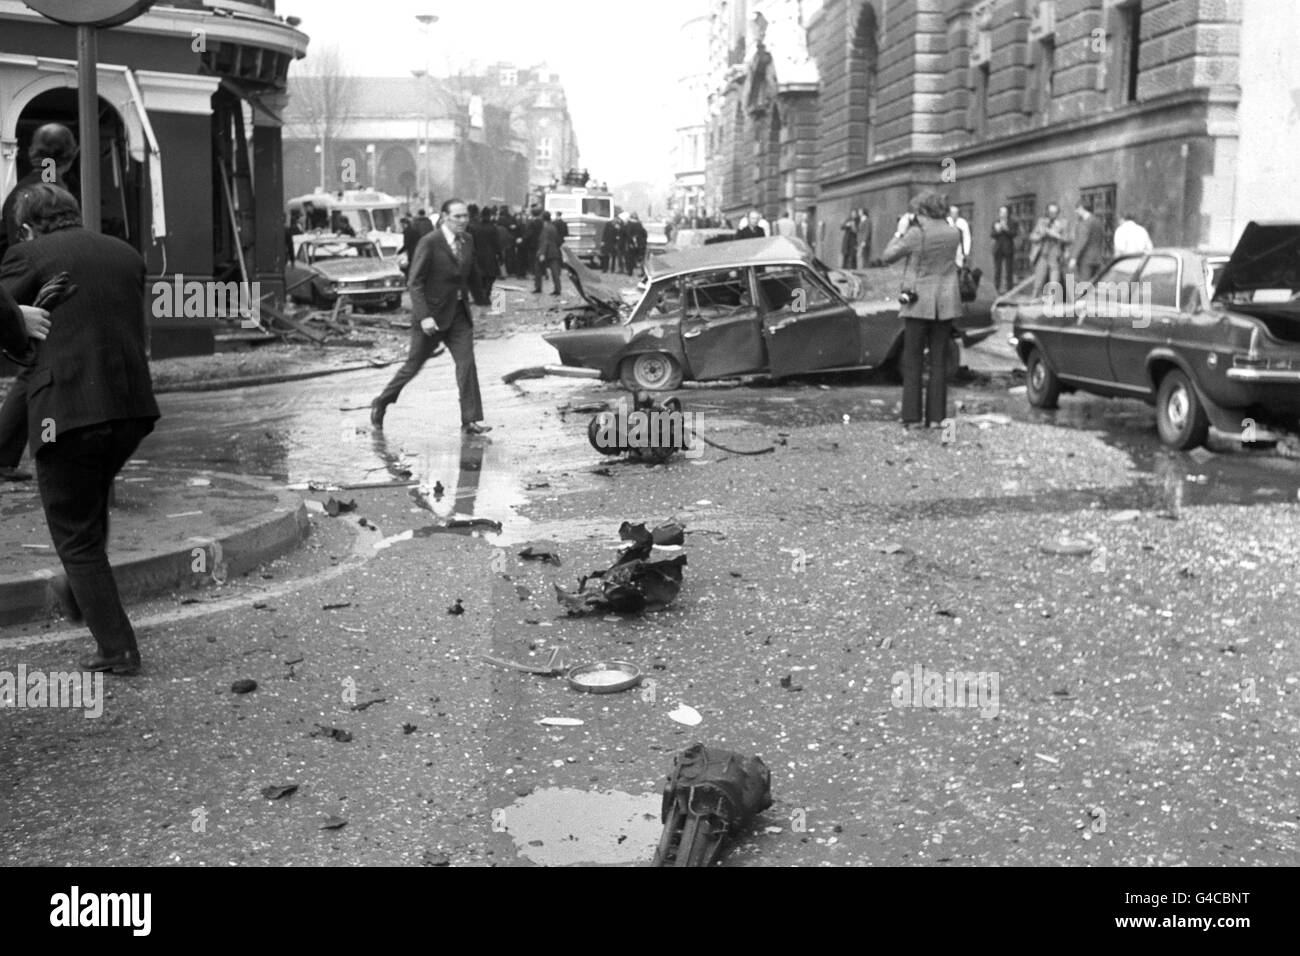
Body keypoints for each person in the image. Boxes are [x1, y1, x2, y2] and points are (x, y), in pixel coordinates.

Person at [2, 184, 160, 674]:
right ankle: (81, 589)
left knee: (75, 535)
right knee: (87, 505)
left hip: (65, 414)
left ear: (28, 226)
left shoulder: (25, 254)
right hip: (131, 410)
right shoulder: (125, 254)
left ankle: (118, 649)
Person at [1, 124, 80, 483]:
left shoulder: (21, 187)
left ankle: (8, 454)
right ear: (69, 156)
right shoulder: (51, 186)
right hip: (43, 281)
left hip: (20, 280)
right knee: (39, 367)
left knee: (35, 367)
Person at [371, 199, 490, 435]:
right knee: (412, 366)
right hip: (431, 317)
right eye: (458, 217)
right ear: (445, 217)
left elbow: (470, 274)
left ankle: (471, 420)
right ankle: (382, 401)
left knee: (467, 365)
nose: (463, 221)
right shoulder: (430, 242)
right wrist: (424, 316)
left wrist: (486, 301)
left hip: (458, 315)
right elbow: (414, 282)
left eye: (466, 216)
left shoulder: (467, 240)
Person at [882, 190, 963, 430]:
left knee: (913, 359)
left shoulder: (916, 234)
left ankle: (912, 417)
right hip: (945, 303)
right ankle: (937, 418)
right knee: (939, 361)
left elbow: (888, 256)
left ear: (923, 212)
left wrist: (900, 230)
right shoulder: (953, 232)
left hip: (918, 302)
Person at [1028, 202, 1067, 297]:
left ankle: (1051, 303)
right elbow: (1032, 236)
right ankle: (1034, 300)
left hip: (1055, 255)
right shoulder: (1041, 222)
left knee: (1054, 282)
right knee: (1038, 281)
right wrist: (1042, 235)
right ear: (1047, 212)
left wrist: (1056, 235)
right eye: (1050, 212)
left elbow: (1067, 239)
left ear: (1058, 213)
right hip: (1043, 255)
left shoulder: (1063, 223)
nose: (1052, 214)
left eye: (1055, 212)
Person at [465, 203, 500, 306]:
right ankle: (486, 295)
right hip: (490, 255)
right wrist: (500, 254)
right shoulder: (493, 227)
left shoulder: (475, 227)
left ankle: (481, 296)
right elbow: (497, 242)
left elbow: (472, 242)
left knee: (481, 276)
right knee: (491, 276)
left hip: (478, 255)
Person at [1068, 198, 1106, 281]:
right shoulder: (1098, 221)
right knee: (1094, 284)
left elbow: (1081, 240)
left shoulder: (1085, 223)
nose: (1076, 212)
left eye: (1077, 209)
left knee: (1084, 285)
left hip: (1085, 259)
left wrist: (1073, 258)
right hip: (1097, 258)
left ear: (1081, 208)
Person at [989, 206, 1018, 293]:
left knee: (1009, 271)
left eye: (1005, 212)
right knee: (997, 270)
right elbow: (992, 234)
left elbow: (1014, 234)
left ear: (1007, 214)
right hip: (998, 249)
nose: (1003, 214)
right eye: (1001, 212)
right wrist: (997, 230)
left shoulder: (1012, 222)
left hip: (1008, 249)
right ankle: (996, 290)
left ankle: (1009, 290)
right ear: (999, 213)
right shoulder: (995, 222)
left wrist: (1006, 228)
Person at [534, 211, 563, 295]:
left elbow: (544, 241)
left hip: (546, 252)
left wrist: (542, 253)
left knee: (538, 269)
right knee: (555, 271)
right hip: (553, 251)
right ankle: (558, 288)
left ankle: (538, 287)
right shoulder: (553, 227)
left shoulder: (546, 228)